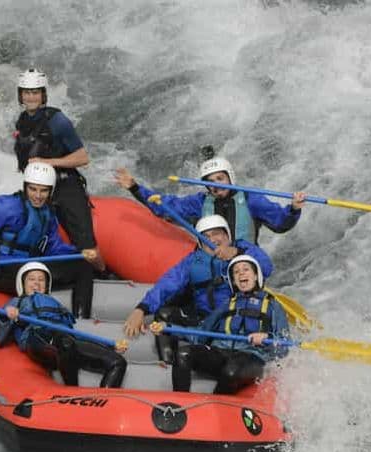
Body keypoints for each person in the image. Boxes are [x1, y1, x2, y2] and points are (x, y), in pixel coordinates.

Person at [122, 214, 273, 363]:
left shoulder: (243, 250)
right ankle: (168, 365)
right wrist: (142, 308)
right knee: (164, 314)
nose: (213, 240)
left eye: (217, 234)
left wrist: (236, 253)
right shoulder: (193, 261)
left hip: (237, 324)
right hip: (205, 322)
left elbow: (266, 267)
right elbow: (167, 284)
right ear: (200, 242)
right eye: (206, 236)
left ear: (227, 235)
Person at [0, 161, 98, 317]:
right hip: (1, 268)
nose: (38, 196)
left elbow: (53, 247)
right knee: (32, 276)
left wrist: (79, 254)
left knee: (83, 266)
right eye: (33, 189)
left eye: (44, 191)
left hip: (31, 266)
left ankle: (81, 319)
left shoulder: (48, 213)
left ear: (51, 191)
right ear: (25, 186)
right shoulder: (6, 206)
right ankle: (30, 320)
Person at [151, 254, 290, 394]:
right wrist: (168, 328)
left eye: (246, 269)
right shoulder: (227, 304)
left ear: (255, 276)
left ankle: (215, 410)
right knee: (183, 354)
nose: (241, 273)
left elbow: (284, 345)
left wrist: (266, 337)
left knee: (231, 371)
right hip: (221, 352)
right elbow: (200, 334)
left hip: (252, 357)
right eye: (236, 271)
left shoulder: (273, 306)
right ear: (234, 281)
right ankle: (179, 405)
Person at [13, 68, 104, 271]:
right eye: (27, 92)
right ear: (21, 95)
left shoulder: (58, 121)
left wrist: (48, 162)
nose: (31, 97)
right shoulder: (22, 121)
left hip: (65, 186)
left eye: (35, 92)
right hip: (39, 190)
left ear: (43, 94)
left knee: (85, 242)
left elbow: (83, 158)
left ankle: (101, 271)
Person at [0, 262, 127, 388]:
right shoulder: (17, 302)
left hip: (66, 341)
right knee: (65, 343)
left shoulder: (56, 304)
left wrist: (110, 345)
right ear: (22, 283)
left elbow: (73, 334)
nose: (36, 283)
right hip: (37, 339)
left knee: (117, 362)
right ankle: (72, 393)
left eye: (41, 279)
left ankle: (104, 402)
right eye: (31, 279)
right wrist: (5, 315)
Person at [114, 157, 307, 245]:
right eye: (210, 182)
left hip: (244, 263)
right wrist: (134, 187)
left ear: (230, 178)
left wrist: (294, 208)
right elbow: (164, 206)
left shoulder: (251, 199)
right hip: (212, 262)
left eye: (220, 179)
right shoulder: (200, 202)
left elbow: (281, 223)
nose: (215, 185)